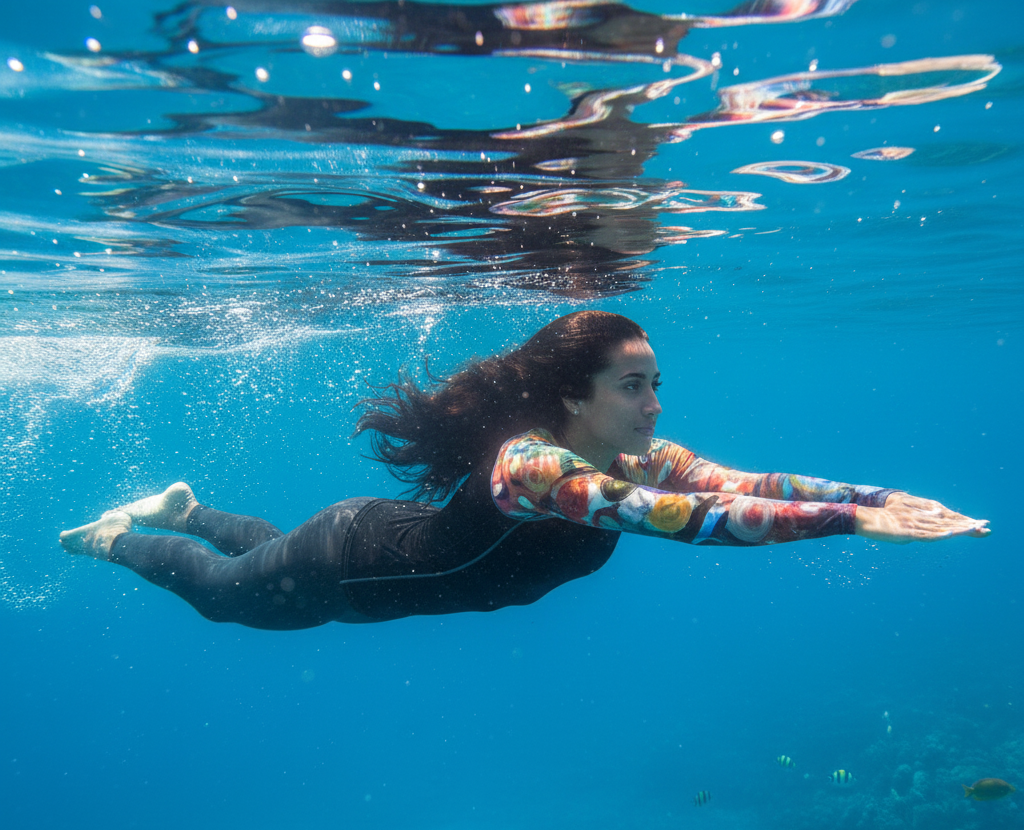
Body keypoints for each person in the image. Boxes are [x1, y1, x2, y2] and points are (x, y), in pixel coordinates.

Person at [58, 311, 989, 630]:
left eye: (657, 385)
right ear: (574, 395)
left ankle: (190, 505)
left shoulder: (635, 454)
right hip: (349, 562)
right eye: (634, 387)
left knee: (265, 557)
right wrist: (853, 523)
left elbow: (747, 487)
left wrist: (875, 495)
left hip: (355, 544)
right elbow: (679, 519)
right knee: (222, 595)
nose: (655, 407)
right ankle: (118, 537)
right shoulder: (535, 467)